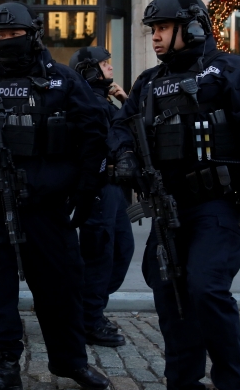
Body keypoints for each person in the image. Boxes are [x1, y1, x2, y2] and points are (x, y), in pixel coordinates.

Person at [112, 0, 240, 390]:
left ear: (192, 27)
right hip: (166, 206)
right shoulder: (149, 83)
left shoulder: (232, 71)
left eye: (162, 28)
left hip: (217, 204)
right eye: (153, 30)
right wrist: (123, 155)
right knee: (170, 295)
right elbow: (121, 127)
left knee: (206, 288)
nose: (155, 38)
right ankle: (182, 380)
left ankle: (231, 382)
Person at [0, 2, 111, 390]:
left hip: (47, 206)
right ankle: (4, 368)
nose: (6, 42)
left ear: (32, 36)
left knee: (61, 287)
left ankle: (70, 362)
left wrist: (88, 188)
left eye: (13, 35)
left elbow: (94, 133)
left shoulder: (63, 81)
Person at [68, 47, 135, 348]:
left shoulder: (104, 101)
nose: (110, 68)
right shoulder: (86, 103)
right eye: (104, 64)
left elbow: (133, 133)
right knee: (100, 255)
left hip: (114, 190)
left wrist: (124, 100)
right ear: (88, 70)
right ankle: (89, 320)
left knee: (120, 252)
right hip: (98, 189)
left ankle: (88, 312)